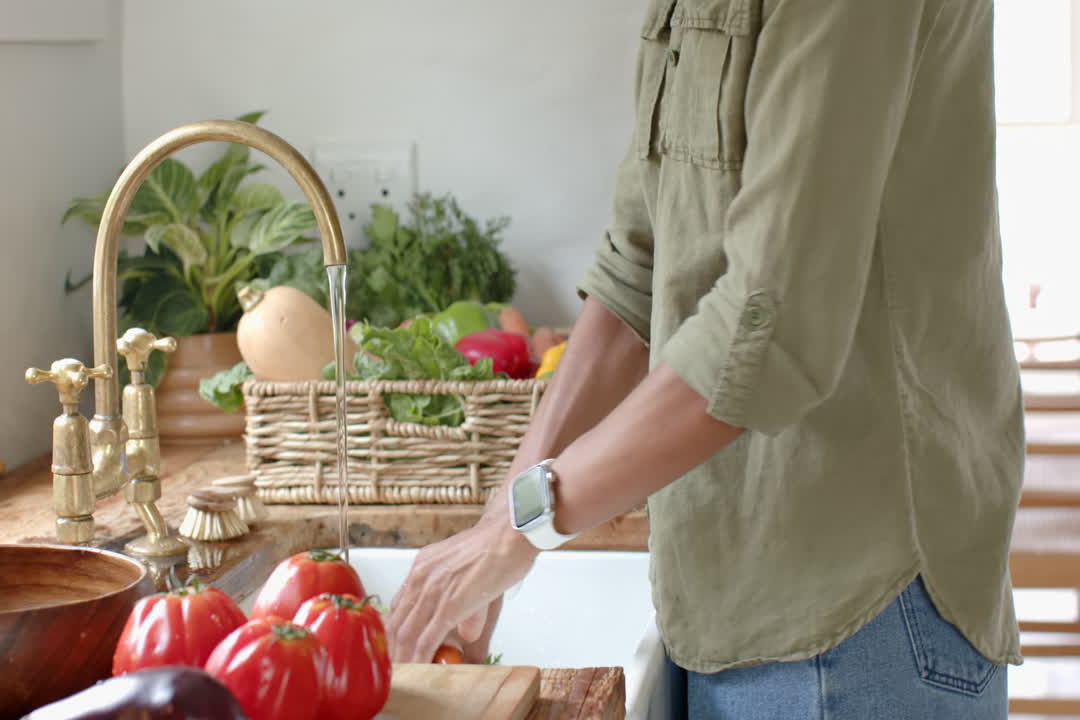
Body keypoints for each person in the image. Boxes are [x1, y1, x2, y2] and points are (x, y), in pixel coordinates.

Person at [384, 0, 1024, 717]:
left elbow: (769, 323)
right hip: (719, 592)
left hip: (859, 611)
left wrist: (522, 524)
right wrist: (503, 523)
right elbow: (636, 270)